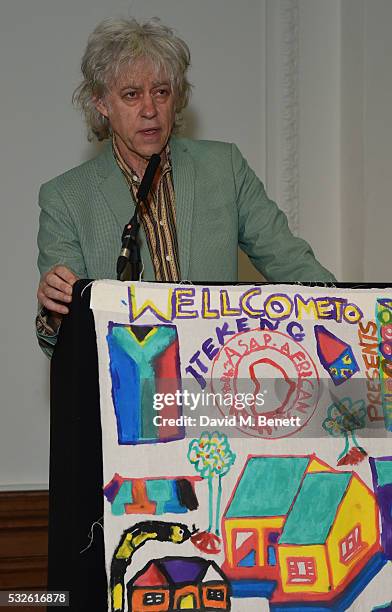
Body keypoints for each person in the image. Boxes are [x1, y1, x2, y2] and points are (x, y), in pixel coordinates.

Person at [36, 17, 335, 357]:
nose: (150, 110)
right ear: (102, 104)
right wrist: (55, 311)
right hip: (125, 387)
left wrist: (351, 312)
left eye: (161, 92)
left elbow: (293, 264)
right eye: (131, 95)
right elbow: (58, 331)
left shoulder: (225, 168)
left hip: (216, 387)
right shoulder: (65, 197)